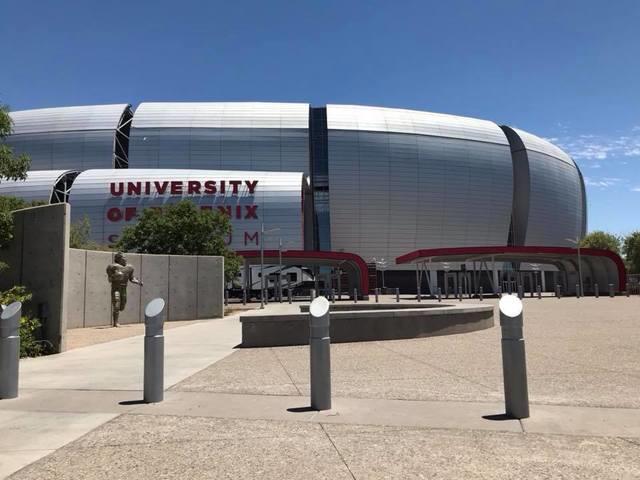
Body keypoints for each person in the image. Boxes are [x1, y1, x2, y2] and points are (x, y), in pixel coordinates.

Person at [106, 252, 143, 327]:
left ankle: (117, 315)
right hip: (115, 287)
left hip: (124, 288)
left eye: (125, 257)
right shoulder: (112, 267)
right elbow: (109, 279)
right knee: (116, 304)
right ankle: (115, 323)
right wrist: (115, 276)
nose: (125, 259)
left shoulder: (130, 267)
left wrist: (138, 282)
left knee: (122, 306)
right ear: (118, 259)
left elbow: (131, 278)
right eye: (123, 257)